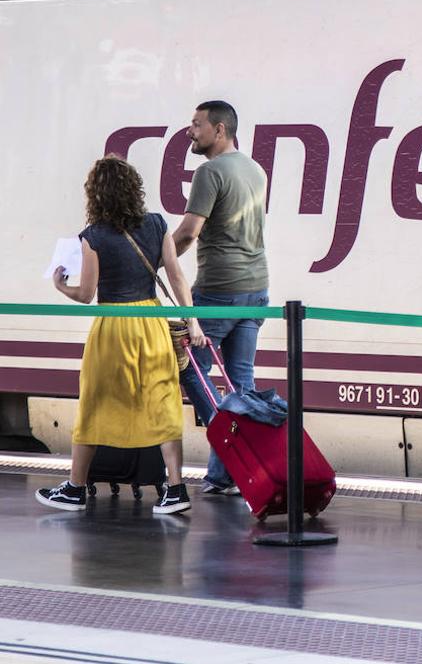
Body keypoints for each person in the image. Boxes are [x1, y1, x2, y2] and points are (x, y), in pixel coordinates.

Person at [37, 155, 205, 514]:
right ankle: (175, 490)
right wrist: (192, 321)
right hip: (152, 322)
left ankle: (75, 489)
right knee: (162, 401)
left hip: (112, 328)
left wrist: (60, 285)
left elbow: (87, 295)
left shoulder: (93, 235)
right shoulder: (158, 225)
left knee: (95, 402)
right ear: (133, 188)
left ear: (95, 195)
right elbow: (175, 276)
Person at [173, 100, 270, 494]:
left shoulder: (209, 172)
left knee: (187, 366)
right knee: (240, 382)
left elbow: (188, 232)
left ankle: (229, 432)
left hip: (218, 289)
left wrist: (156, 257)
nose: (190, 132)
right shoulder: (255, 168)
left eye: (197, 125)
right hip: (257, 287)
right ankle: (224, 475)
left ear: (220, 130)